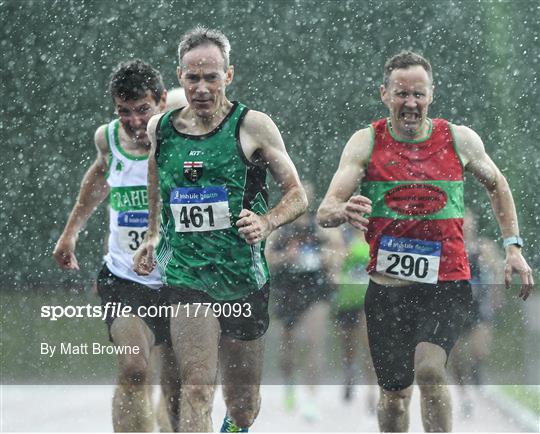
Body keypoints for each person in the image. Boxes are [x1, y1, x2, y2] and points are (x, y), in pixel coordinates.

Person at [317, 50, 534, 432]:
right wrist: (342, 210)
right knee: (395, 398)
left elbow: (497, 185)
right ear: (385, 94)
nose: (411, 103)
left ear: (431, 94)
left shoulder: (458, 139)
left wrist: (513, 247)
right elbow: (326, 209)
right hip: (387, 288)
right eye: (402, 94)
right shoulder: (365, 142)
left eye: (419, 94)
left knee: (431, 373)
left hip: (445, 282)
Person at [133, 26, 307, 432]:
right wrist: (154, 232)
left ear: (228, 76)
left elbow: (298, 194)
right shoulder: (162, 128)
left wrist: (266, 221)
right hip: (187, 276)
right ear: (179, 76)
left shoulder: (253, 126)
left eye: (211, 77)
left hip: (243, 278)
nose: (202, 87)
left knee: (243, 404)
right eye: (193, 78)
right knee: (197, 385)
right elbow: (155, 176)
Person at [53, 59, 177, 432]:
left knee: (177, 384)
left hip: (180, 277)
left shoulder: (182, 132)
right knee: (134, 369)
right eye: (125, 112)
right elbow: (98, 176)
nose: (135, 122)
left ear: (160, 102)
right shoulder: (107, 138)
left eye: (143, 111)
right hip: (124, 276)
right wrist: (70, 232)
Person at [265, 182, 344, 421]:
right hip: (287, 291)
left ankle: (311, 399)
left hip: (315, 290)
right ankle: (289, 385)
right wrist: (284, 257)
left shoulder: (321, 227)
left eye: (305, 198)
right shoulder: (278, 226)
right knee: (287, 350)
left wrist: (324, 258)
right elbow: (266, 258)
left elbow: (338, 252)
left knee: (313, 342)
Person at [449, 209, 504, 416]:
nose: (465, 225)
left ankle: (477, 369)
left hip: (478, 306)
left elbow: (498, 269)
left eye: (468, 221)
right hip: (454, 308)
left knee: (479, 349)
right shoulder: (449, 247)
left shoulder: (484, 248)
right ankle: (464, 397)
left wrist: (497, 293)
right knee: (455, 358)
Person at [332, 228, 376, 409]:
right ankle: (349, 373)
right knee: (348, 344)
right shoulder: (343, 236)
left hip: (369, 299)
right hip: (347, 298)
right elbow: (334, 263)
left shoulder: (378, 235)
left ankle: (372, 390)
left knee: (369, 345)